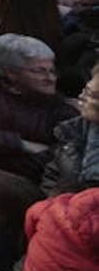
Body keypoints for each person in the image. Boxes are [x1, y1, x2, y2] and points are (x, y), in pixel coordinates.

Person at [0, 34, 77, 181]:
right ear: (11, 73)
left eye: (52, 71)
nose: (50, 78)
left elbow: (58, 158)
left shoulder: (61, 109)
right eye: (39, 71)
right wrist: (21, 144)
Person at [41, 64, 99, 195]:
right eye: (85, 89)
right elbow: (51, 177)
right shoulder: (72, 132)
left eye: (91, 94)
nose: (81, 96)